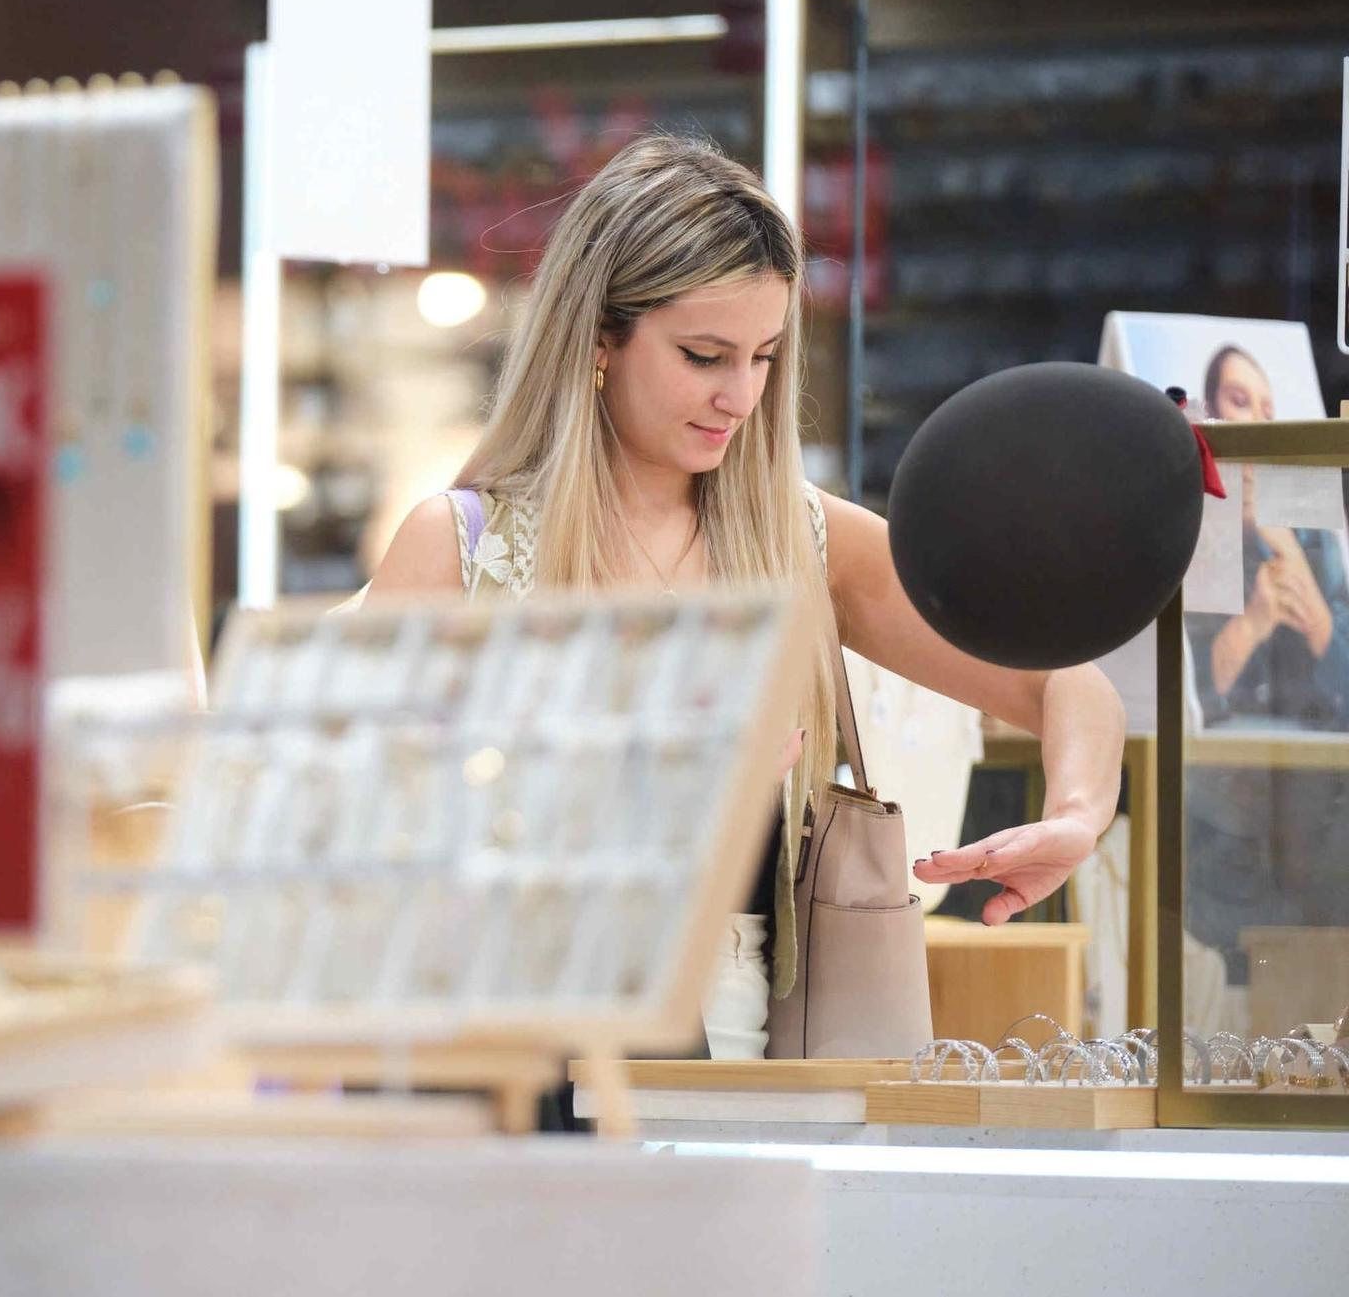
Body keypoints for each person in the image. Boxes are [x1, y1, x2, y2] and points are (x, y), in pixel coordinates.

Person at [368, 133, 1125, 1055]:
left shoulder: (797, 538)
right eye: (703, 355)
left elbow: (1062, 680)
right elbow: (354, 857)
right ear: (599, 335)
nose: (741, 396)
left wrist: (1077, 814)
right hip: (527, 1076)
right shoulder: (463, 554)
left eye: (764, 357)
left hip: (744, 1085)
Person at [1189, 343, 1349, 730]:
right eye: (1240, 401)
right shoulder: (1187, 534)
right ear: (1209, 413)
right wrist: (1251, 624)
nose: (1259, 423)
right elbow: (1180, 702)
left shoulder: (1311, 539)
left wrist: (1314, 614)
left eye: (1269, 412)